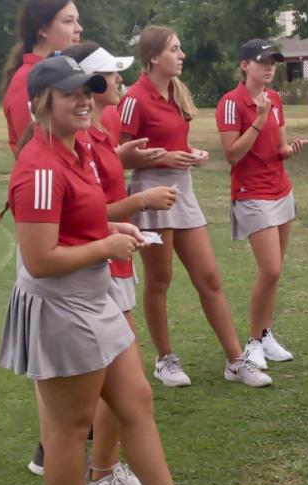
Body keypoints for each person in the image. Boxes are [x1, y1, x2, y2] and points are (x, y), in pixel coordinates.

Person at [0, 55, 179, 485]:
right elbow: (40, 259)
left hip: (95, 299)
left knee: (137, 402)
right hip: (62, 307)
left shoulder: (77, 148)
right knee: (69, 430)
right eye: (69, 93)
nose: (83, 100)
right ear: (42, 102)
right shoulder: (39, 166)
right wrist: (105, 246)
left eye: (85, 91)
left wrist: (113, 227)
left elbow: (77, 220)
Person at [118, 25, 270, 388]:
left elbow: (173, 143)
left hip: (182, 191)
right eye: (174, 49)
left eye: (180, 48)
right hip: (151, 193)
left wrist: (190, 155)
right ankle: (164, 359)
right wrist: (165, 158)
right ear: (154, 57)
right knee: (160, 279)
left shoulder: (177, 92)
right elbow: (121, 157)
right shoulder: (135, 98)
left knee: (210, 278)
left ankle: (236, 361)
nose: (181, 55)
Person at [62, 41, 178, 485]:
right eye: (110, 74)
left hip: (116, 259)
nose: (117, 81)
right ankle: (100, 476)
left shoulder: (102, 133)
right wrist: (142, 201)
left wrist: (133, 160)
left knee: (127, 394)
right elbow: (86, 214)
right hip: (99, 267)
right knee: (117, 396)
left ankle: (104, 471)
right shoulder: (81, 139)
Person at [215, 39, 308, 370]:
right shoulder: (231, 103)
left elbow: (278, 146)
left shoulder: (275, 99)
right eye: (262, 61)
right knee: (270, 268)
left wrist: (289, 150)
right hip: (252, 193)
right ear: (244, 65)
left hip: (281, 190)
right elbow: (232, 154)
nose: (269, 67)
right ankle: (253, 342)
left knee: (274, 273)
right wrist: (258, 118)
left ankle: (265, 334)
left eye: (273, 62)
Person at [0, 0, 82, 156]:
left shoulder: (57, 74)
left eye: (77, 21)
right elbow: (37, 153)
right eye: (69, 21)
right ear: (43, 30)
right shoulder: (27, 81)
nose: (79, 28)